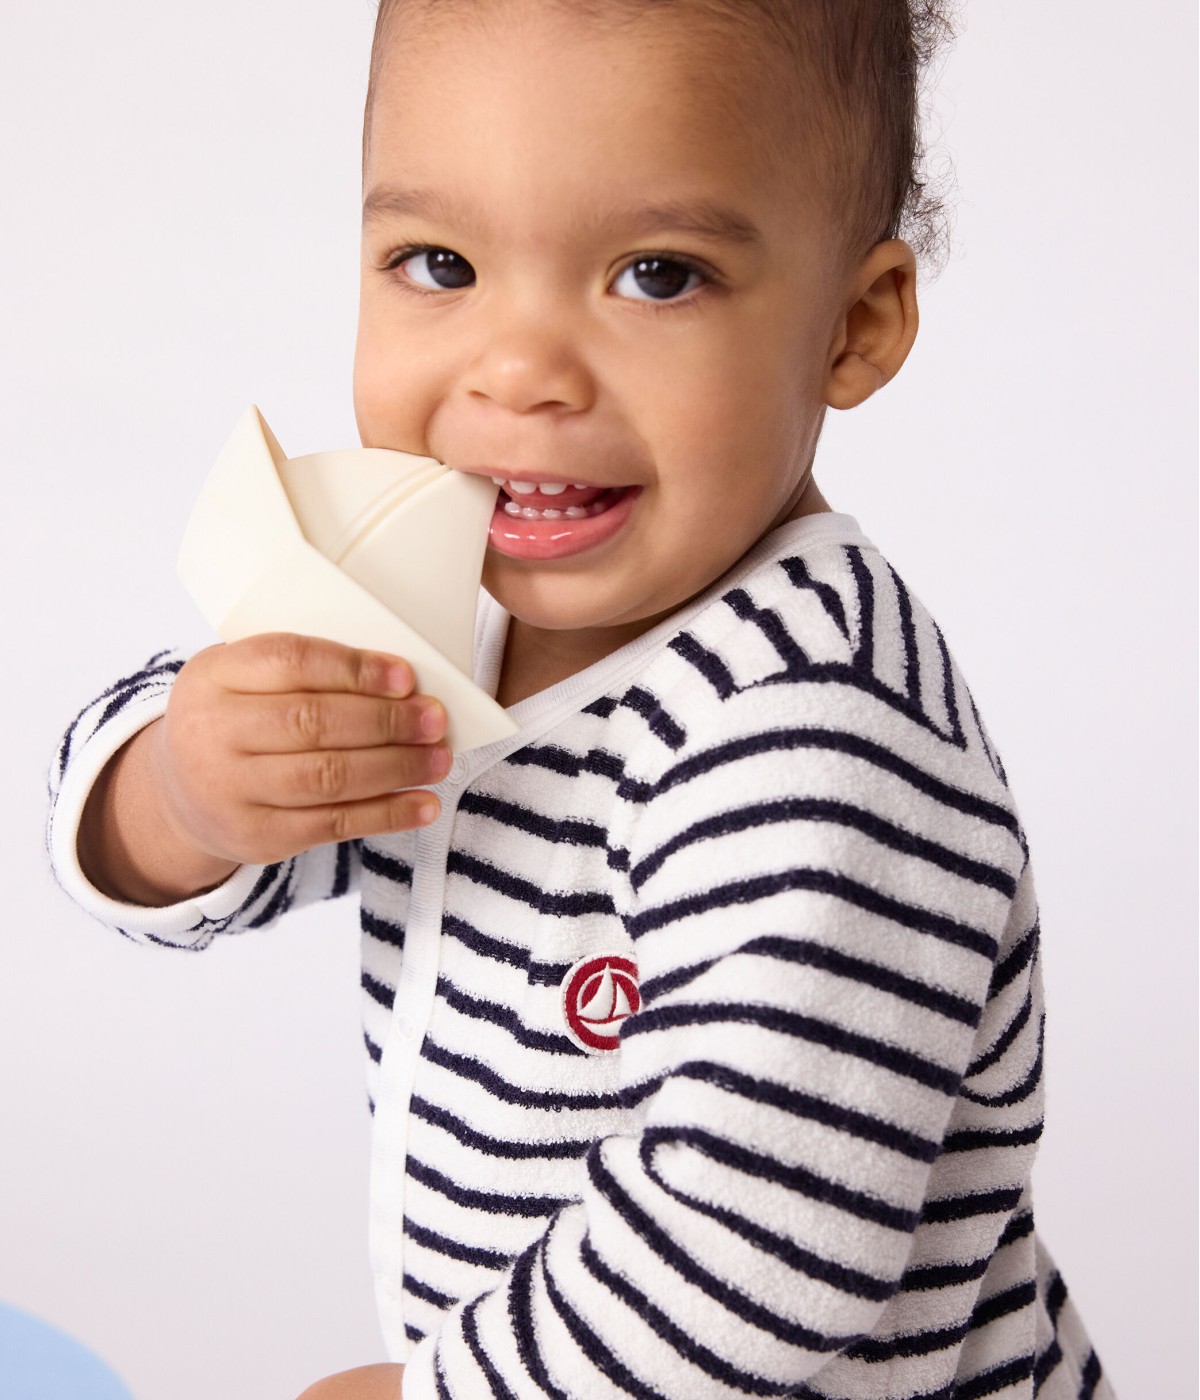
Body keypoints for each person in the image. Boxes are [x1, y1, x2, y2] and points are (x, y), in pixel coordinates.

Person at [46, 1, 1115, 1396]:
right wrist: (188, 793)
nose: (520, 373)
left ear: (854, 328)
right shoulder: (448, 593)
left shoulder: (813, 728)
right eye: (440, 264)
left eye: (656, 277)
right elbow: (197, 828)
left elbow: (757, 1241)